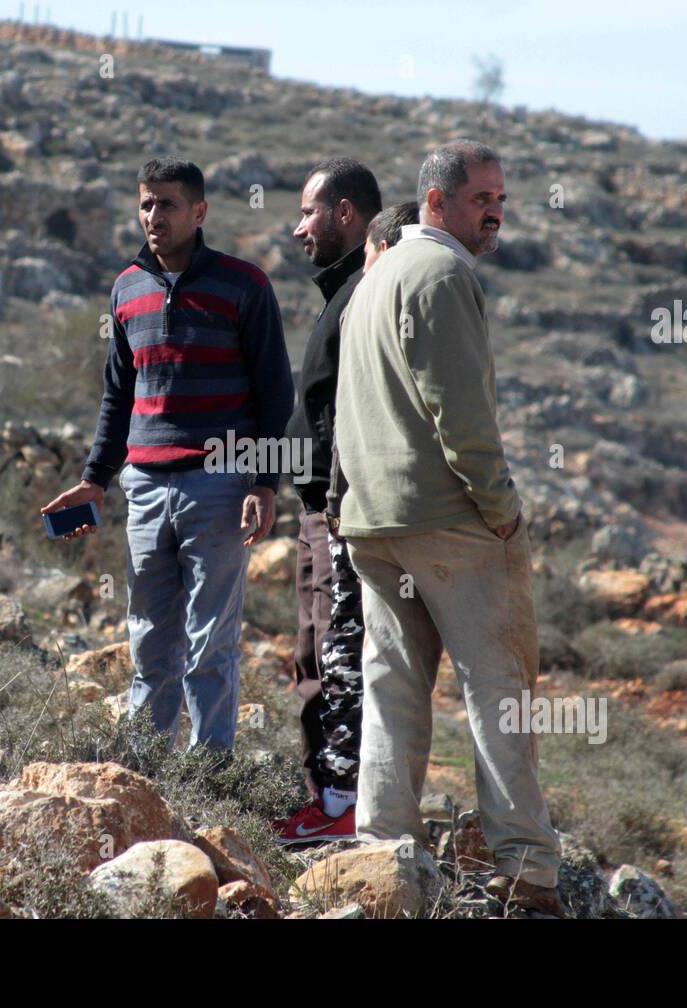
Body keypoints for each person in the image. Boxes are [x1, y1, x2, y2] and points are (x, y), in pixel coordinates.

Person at [334, 141, 567, 916]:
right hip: (450, 524)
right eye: (480, 198)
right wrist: (502, 511)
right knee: (501, 690)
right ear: (436, 201)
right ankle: (527, 872)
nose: (495, 209)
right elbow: (460, 416)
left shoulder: (374, 280)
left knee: (393, 688)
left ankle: (380, 858)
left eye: (502, 196)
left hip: (373, 521)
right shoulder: (443, 273)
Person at [42, 157, 294, 751]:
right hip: (145, 487)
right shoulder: (126, 287)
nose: (154, 215)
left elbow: (274, 391)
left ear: (199, 212)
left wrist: (263, 483)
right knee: (150, 640)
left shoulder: (244, 284)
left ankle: (209, 776)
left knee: (212, 643)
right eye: (146, 203)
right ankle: (147, 774)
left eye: (168, 204)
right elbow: (117, 393)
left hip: (220, 485)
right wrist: (95, 479)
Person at [274, 158, 379, 844]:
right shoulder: (341, 294)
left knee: (340, 653)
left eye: (309, 212)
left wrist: (335, 506)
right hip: (320, 512)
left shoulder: (365, 294)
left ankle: (340, 805)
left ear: (346, 214)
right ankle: (328, 799)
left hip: (341, 512)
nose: (298, 226)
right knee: (316, 654)